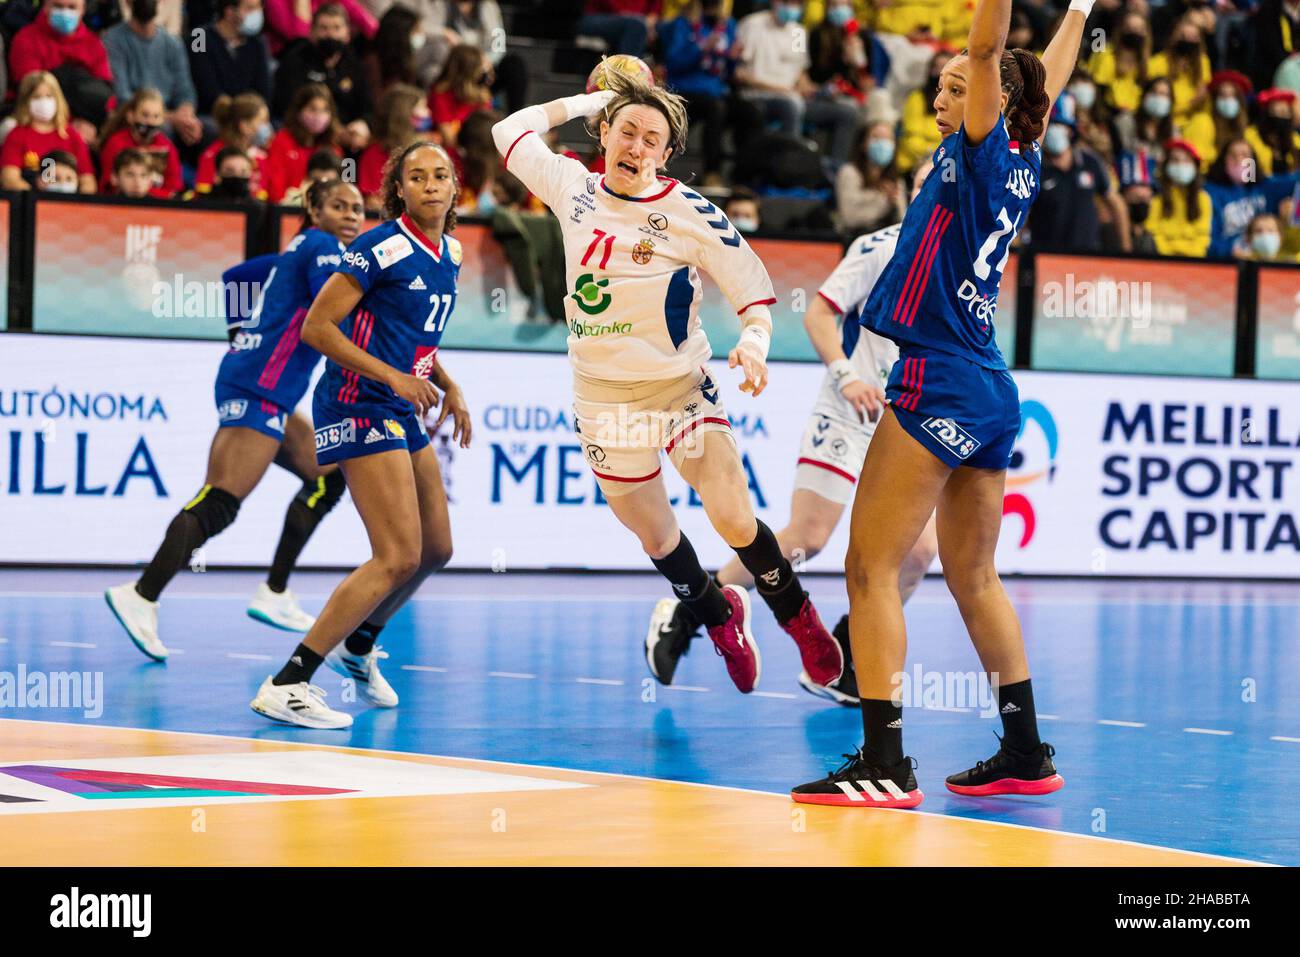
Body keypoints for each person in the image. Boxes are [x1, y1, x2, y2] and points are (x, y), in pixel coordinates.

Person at [791, 0, 1092, 809]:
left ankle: (884, 759)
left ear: (993, 101)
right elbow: (1046, 77)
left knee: (868, 565)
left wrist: (986, 48)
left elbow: (993, 44)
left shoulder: (988, 150)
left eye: (960, 86)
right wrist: (1081, 9)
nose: (943, 97)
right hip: (989, 384)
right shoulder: (1023, 148)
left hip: (940, 373)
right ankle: (1026, 749)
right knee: (973, 574)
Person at [491, 72, 845, 696]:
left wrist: (755, 345)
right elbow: (507, 130)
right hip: (601, 399)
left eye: (652, 139)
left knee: (734, 518)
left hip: (678, 389)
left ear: (666, 152)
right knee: (657, 536)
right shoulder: (571, 186)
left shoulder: (689, 212)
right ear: (604, 134)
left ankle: (799, 617)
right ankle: (718, 617)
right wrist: (589, 98)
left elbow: (754, 293)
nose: (637, 146)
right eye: (626, 131)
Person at [649, 167, 940, 702]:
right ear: (910, 195)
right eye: (924, 185)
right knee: (807, 537)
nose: (934, 194)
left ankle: (843, 656)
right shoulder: (881, 248)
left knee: (920, 551)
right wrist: (846, 377)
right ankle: (694, 613)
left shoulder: (961, 257)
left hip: (907, 418)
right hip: (850, 410)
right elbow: (821, 314)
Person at [250, 142, 472, 728]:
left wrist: (448, 383)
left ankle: (360, 643)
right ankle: (289, 682)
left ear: (455, 188)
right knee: (396, 554)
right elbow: (318, 328)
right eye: (416, 176)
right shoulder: (380, 246)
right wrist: (395, 377)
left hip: (397, 402)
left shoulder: (450, 250)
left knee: (437, 549)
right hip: (356, 398)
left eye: (440, 175)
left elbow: (418, 335)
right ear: (398, 189)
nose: (430, 185)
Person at [106, 179, 367, 662]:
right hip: (259, 389)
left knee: (326, 478)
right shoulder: (324, 248)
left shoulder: (296, 251)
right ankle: (140, 595)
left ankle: (274, 592)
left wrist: (242, 336)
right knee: (221, 501)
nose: (352, 215)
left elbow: (237, 275)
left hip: (263, 385)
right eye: (338, 205)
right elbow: (339, 320)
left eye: (358, 208)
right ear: (312, 207)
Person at [101, 0, 203, 151]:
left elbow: (186, 92)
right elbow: (122, 97)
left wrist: (185, 116)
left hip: (170, 115)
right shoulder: (113, 39)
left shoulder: (173, 43)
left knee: (206, 129)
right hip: (134, 116)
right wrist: (168, 118)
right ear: (127, 2)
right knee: (161, 128)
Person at [271, 2, 373, 151]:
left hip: (345, 143)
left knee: (353, 160)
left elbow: (366, 107)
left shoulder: (354, 64)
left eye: (336, 28)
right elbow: (285, 107)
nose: (330, 34)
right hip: (303, 137)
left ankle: (347, 175)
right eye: (324, 28)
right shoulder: (295, 60)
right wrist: (332, 130)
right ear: (312, 31)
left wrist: (362, 124)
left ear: (347, 33)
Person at [8, 0, 115, 130]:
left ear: (83, 9)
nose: (65, 12)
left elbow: (104, 95)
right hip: (38, 118)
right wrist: (70, 124)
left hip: (88, 123)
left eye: (72, 7)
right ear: (45, 6)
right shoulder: (26, 39)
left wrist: (89, 125)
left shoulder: (94, 44)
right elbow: (30, 91)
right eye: (58, 6)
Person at [0, 71, 95, 192]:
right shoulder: (17, 135)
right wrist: (37, 201)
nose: (44, 102)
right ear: (26, 101)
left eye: (49, 96)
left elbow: (88, 181)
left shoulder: (71, 136)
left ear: (58, 99)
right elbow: (10, 179)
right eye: (37, 96)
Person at [188, 0, 273, 115]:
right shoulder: (199, 36)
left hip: (249, 114)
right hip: (212, 113)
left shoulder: (258, 41)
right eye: (250, 8)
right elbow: (205, 86)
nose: (257, 14)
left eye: (259, 8)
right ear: (230, 12)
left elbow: (264, 88)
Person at [97, 86, 184, 197]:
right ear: (131, 116)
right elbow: (108, 184)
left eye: (156, 116)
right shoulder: (115, 143)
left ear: (163, 120)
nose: (150, 122)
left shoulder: (167, 146)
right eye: (145, 115)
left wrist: (150, 193)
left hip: (158, 206)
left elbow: (174, 187)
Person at [264, 81, 343, 202]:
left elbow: (345, 183)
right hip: (288, 209)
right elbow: (275, 184)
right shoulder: (282, 141)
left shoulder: (334, 147)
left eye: (324, 110)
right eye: (312, 108)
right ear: (299, 111)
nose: (318, 115)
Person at [194, 92, 271, 199]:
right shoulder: (213, 155)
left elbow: (262, 196)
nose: (267, 127)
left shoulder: (261, 157)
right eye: (262, 121)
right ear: (245, 126)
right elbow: (202, 196)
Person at [1147, 139, 1213, 256]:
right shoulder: (1157, 199)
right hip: (1163, 261)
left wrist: (1189, 258)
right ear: (1166, 166)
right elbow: (1153, 233)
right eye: (1175, 160)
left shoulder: (1203, 199)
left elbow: (1203, 237)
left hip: (1195, 262)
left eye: (1186, 160)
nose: (1181, 165)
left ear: (1195, 167)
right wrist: (1169, 256)